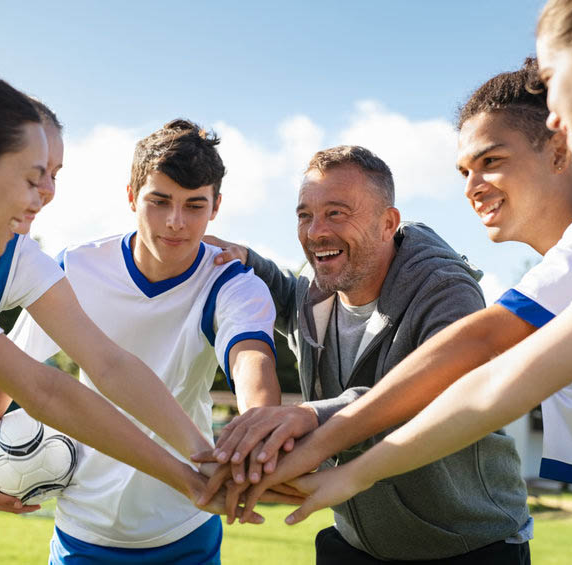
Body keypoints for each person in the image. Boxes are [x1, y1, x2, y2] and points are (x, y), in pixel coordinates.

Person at [286, 0, 572, 561]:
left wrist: (320, 437)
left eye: (553, 81)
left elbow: (484, 344)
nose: (552, 113)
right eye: (464, 171)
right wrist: (353, 473)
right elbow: (506, 398)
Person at [220, 60, 572, 563]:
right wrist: (238, 260)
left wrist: (318, 437)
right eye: (464, 171)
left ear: (559, 150)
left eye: (491, 160)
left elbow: (476, 352)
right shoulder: (557, 327)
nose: (472, 186)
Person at [0, 70, 244, 564]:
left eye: (53, 175)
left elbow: (50, 387)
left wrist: (200, 473)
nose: (45, 194)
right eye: (32, 176)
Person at [0, 119, 282, 564]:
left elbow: (251, 358)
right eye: (159, 202)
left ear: (215, 207)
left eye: (194, 205)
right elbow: (12, 368)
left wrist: (260, 431)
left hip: (185, 524)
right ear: (132, 196)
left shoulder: (230, 282)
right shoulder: (75, 268)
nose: (176, 222)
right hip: (83, 527)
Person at [202, 145, 532, 564]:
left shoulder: (447, 289)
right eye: (305, 215)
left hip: (468, 545)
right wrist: (249, 260)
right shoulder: (316, 288)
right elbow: (288, 296)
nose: (316, 231)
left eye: (337, 213)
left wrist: (310, 414)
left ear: (387, 223)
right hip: (359, 543)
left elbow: (432, 394)